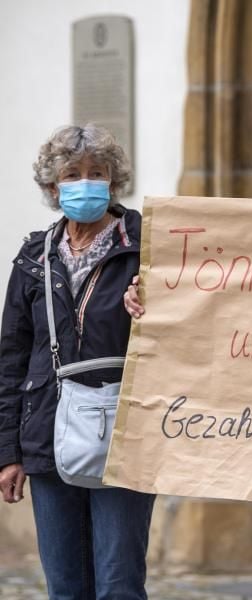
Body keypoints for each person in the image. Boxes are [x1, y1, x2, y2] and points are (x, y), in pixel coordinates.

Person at [0, 124, 154, 599]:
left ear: (114, 182)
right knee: (65, 587)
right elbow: (12, 356)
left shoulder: (148, 248)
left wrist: (156, 307)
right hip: (45, 432)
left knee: (118, 583)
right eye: (72, 174)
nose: (85, 182)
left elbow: (192, 326)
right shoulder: (34, 256)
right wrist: (8, 452)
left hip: (126, 432)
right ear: (52, 186)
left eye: (97, 172)